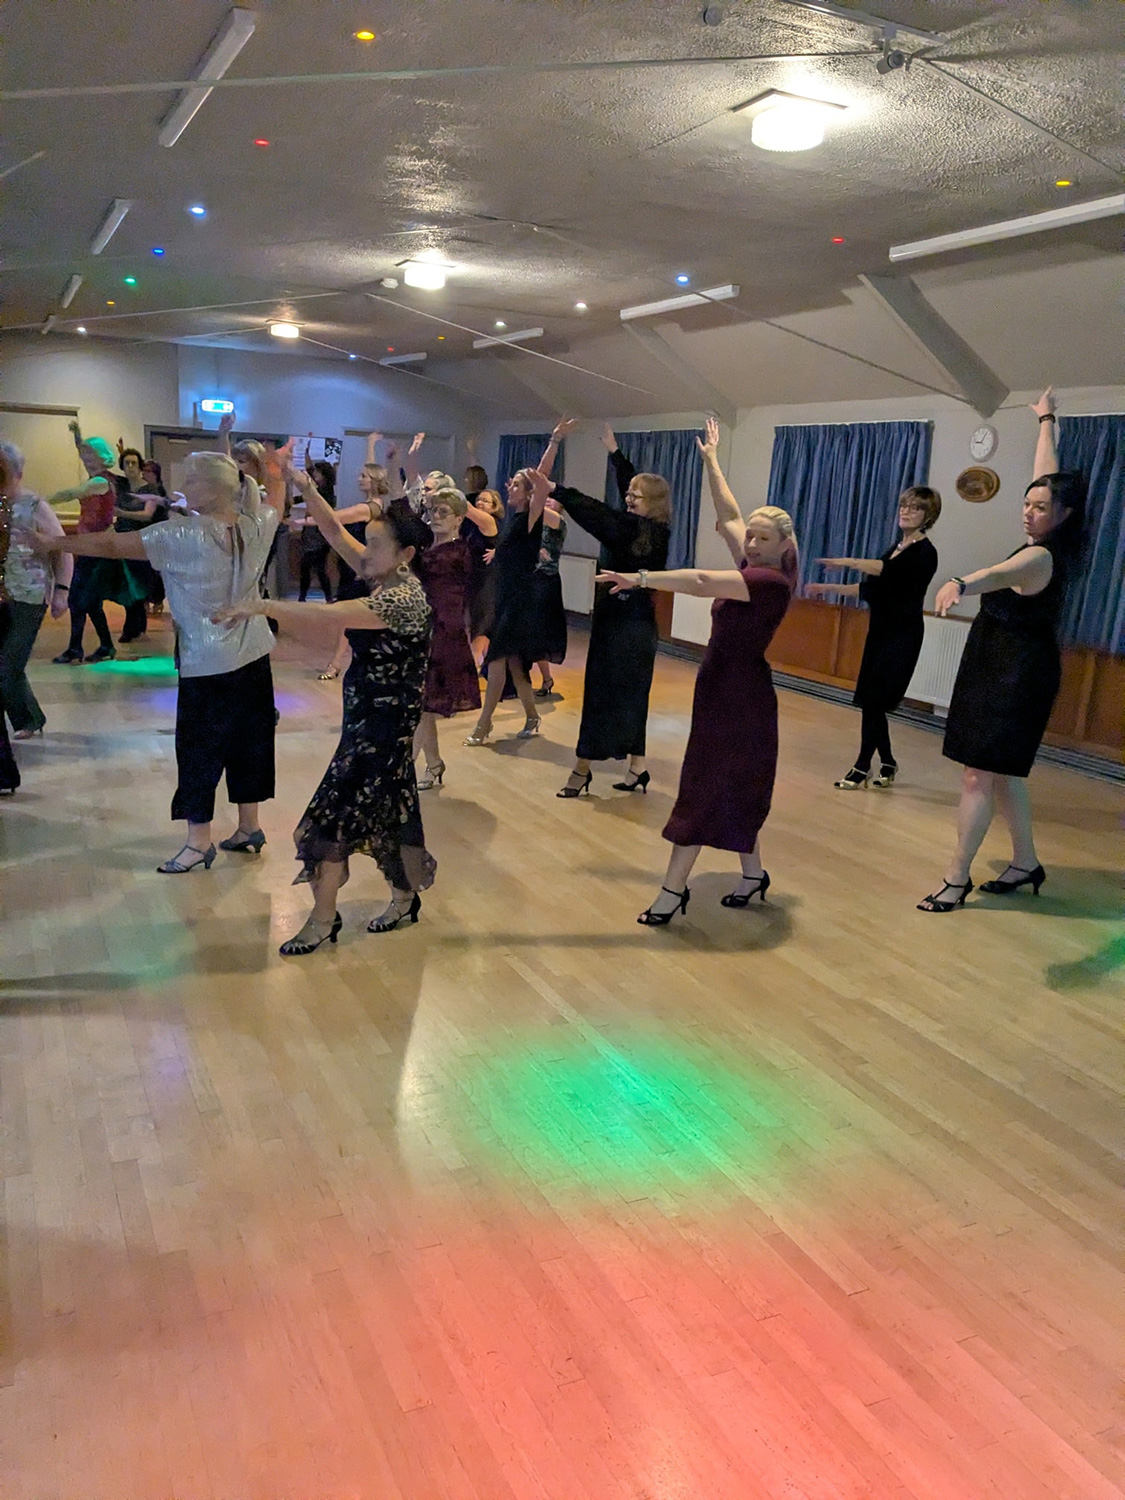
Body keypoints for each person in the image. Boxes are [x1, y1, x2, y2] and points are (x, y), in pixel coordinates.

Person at [31, 451, 279, 872]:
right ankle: (249, 827)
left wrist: (53, 542)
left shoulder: (180, 534)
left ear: (214, 489)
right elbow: (275, 497)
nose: (185, 487)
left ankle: (198, 842)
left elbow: (111, 544)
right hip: (255, 655)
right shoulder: (259, 523)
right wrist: (279, 472)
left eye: (193, 480)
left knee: (199, 749)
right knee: (250, 742)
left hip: (207, 662)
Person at [219, 491, 436, 955]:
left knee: (327, 825)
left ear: (405, 555)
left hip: (381, 732)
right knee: (391, 815)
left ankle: (322, 919)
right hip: (368, 724)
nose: (365, 552)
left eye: (374, 545)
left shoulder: (404, 599)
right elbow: (335, 532)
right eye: (367, 542)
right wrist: (301, 482)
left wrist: (262, 606)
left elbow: (329, 615)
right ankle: (404, 899)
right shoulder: (385, 576)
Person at [600, 461, 798, 925]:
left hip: (740, 698)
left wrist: (642, 578)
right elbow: (730, 516)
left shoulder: (768, 582)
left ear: (784, 546)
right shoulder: (754, 565)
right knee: (733, 785)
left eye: (762, 538)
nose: (751, 544)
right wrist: (711, 461)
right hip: (722, 689)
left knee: (702, 788)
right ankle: (753, 875)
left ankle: (672, 890)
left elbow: (702, 582)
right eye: (751, 537)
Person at [917, 388, 1086, 912]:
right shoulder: (1050, 537)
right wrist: (1046, 421)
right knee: (1005, 773)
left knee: (978, 774)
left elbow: (999, 573)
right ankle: (1026, 863)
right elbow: (1046, 475)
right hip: (999, 666)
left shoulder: (1041, 558)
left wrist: (960, 582)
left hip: (1016, 677)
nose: (1029, 512)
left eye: (1040, 508)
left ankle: (955, 878)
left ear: (1063, 515)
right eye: (1026, 504)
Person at [543, 417, 671, 798]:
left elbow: (598, 515)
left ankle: (581, 770)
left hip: (622, 629)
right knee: (633, 695)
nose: (628, 498)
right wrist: (616, 455)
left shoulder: (632, 529)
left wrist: (559, 491)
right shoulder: (652, 527)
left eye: (636, 497)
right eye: (628, 494)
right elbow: (627, 490)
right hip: (636, 625)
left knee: (601, 695)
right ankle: (637, 767)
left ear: (653, 503)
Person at [807, 483, 941, 789]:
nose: (906, 511)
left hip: (902, 636)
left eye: (915, 508)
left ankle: (862, 766)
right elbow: (873, 589)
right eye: (904, 506)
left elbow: (887, 571)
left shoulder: (925, 553)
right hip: (880, 632)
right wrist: (829, 588)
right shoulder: (895, 548)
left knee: (875, 701)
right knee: (871, 701)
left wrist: (848, 562)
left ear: (928, 515)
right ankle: (888, 762)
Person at [462, 467, 550, 745]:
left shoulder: (531, 516)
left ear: (529, 493)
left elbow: (541, 486)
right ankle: (532, 715)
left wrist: (553, 445)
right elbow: (512, 549)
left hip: (519, 600)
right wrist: (498, 553)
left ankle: (483, 723)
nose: (509, 488)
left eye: (516, 486)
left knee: (497, 659)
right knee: (514, 663)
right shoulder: (514, 520)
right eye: (511, 485)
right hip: (505, 595)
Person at [0, 441, 73, 739]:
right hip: (2, 594)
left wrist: (62, 591)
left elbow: (62, 549)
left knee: (9, 663)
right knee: (6, 663)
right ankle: (30, 716)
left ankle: (27, 719)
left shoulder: (34, 505)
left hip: (29, 594)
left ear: (17, 471)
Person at [413, 487, 482, 788]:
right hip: (423, 627)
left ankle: (403, 772)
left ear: (458, 519)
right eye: (433, 511)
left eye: (444, 512)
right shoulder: (426, 546)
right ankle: (434, 764)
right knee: (423, 705)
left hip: (443, 632)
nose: (436, 516)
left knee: (423, 704)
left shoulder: (460, 551)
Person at [52, 426, 132, 663]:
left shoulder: (99, 482)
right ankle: (102, 646)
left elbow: (70, 493)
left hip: (98, 550)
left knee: (79, 599)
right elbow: (82, 451)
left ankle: (79, 648)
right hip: (91, 548)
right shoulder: (98, 477)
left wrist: (38, 502)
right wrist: (78, 437)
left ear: (101, 457)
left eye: (90, 455)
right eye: (84, 454)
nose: (85, 459)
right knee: (90, 602)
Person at [114, 447, 170, 643]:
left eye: (134, 463)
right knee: (127, 585)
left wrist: (123, 513)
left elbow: (147, 515)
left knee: (137, 584)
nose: (130, 467)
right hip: (122, 541)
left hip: (140, 542)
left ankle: (133, 627)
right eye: (126, 463)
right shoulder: (122, 489)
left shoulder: (150, 489)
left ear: (139, 467)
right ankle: (135, 626)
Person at [462, 487, 504, 662]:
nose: (480, 503)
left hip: (487, 580)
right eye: (479, 499)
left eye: (485, 501)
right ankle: (486, 663)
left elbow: (466, 508)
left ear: (494, 507)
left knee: (481, 622)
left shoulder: (489, 521)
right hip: (475, 579)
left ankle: (474, 663)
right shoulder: (475, 526)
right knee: (477, 622)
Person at [297, 460, 337, 603]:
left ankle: (322, 597)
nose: (315, 475)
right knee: (309, 568)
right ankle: (317, 597)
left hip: (319, 534)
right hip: (312, 533)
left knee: (317, 568)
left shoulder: (325, 492)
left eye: (317, 473)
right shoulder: (321, 490)